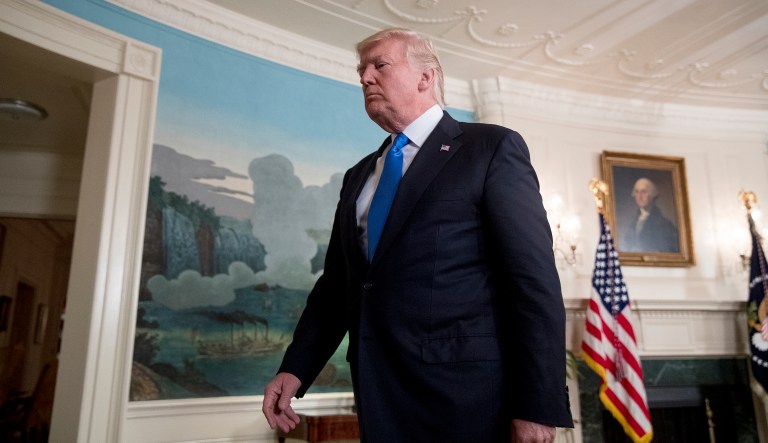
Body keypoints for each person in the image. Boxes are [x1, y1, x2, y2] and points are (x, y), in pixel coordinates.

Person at [261, 27, 573, 442]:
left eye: (379, 66)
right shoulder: (358, 176)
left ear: (425, 77)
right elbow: (340, 284)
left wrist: (536, 405)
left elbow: (532, 283)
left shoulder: (491, 149)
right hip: (378, 398)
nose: (365, 77)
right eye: (362, 70)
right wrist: (296, 367)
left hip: (470, 404)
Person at [621, 177, 679, 253]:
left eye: (644, 192)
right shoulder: (633, 222)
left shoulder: (665, 225)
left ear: (652, 195)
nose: (639, 196)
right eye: (637, 192)